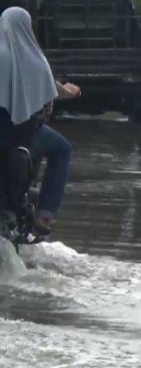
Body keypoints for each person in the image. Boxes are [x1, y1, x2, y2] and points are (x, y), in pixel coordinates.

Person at [0, 7, 80, 231]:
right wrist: (71, 92)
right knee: (62, 149)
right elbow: (53, 89)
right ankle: (45, 214)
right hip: (24, 133)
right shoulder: (36, 58)